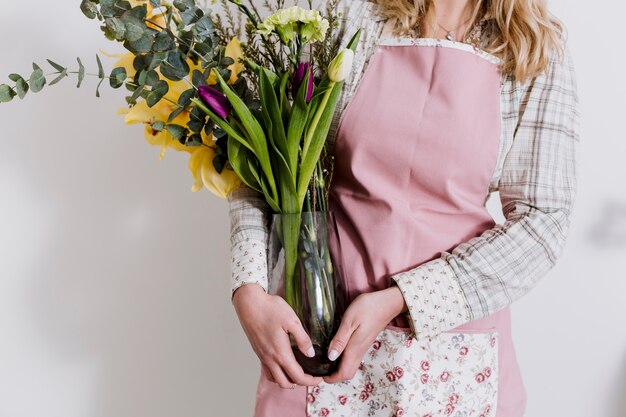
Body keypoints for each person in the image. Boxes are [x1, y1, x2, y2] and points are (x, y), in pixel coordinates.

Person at [227, 0, 580, 415]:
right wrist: (247, 287)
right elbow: (262, 157)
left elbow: (544, 220)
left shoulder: (532, 47)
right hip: (320, 331)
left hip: (453, 347)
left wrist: (405, 298)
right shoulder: (343, 14)